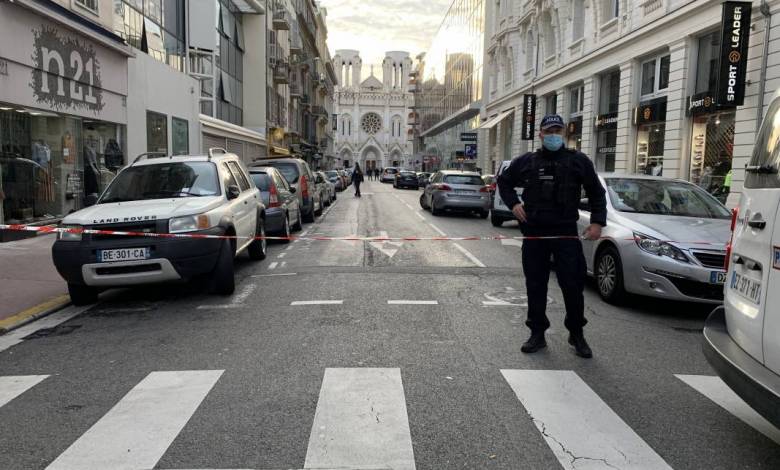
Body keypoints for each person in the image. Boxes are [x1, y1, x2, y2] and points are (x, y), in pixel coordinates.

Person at [497, 114, 607, 359]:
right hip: (535, 233)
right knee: (535, 286)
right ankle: (537, 333)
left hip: (565, 233)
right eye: (549, 131)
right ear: (540, 134)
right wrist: (514, 204)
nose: (553, 135)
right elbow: (503, 182)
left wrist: (598, 222)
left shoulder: (578, 161)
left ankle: (576, 333)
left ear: (564, 133)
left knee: (573, 285)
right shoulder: (527, 161)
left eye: (557, 131)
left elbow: (597, 193)